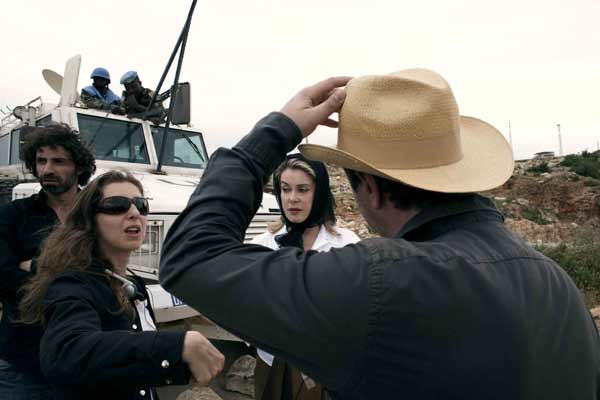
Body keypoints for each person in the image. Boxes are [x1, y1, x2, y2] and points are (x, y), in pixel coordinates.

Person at [158, 70, 600, 399]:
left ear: (368, 187)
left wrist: (272, 136)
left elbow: (191, 258)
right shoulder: (555, 282)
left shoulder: (381, 282)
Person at [19, 170, 224, 399]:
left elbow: (131, 360)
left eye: (141, 205)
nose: (134, 213)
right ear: (90, 219)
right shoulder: (72, 284)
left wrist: (181, 365)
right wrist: (176, 346)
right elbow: (68, 352)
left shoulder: (134, 284)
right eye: (117, 205)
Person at [252, 154, 359, 400]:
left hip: (326, 364)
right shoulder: (263, 245)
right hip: (272, 362)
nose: (293, 199)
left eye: (303, 189)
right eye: (285, 189)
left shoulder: (346, 244)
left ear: (318, 193)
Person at [0, 123, 96, 399]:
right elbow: (3, 277)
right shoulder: (13, 215)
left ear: (78, 167)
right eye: (41, 161)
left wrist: (32, 265)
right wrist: (75, 279)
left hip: (85, 356)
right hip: (23, 361)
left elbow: (108, 273)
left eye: (58, 161)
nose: (47, 170)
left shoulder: (97, 215)